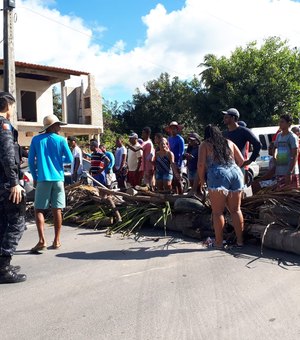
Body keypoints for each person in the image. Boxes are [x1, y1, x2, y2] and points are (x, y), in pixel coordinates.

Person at [28, 114, 73, 253]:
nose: (60, 127)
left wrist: (35, 177)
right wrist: (58, 159)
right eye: (58, 125)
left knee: (39, 209)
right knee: (57, 210)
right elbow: (69, 159)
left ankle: (42, 241)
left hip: (43, 179)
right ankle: (57, 240)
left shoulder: (36, 140)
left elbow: (30, 161)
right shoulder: (61, 140)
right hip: (58, 179)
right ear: (52, 126)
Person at [198, 125, 245, 249]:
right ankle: (240, 241)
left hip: (218, 174)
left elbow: (201, 164)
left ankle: (219, 242)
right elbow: (241, 160)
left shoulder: (205, 144)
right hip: (235, 172)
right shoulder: (229, 142)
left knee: (217, 212)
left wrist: (202, 181)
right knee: (236, 210)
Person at [0, 92, 27, 283]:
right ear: (8, 106)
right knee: (17, 223)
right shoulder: (4, 126)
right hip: (5, 184)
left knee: (2, 223)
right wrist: (14, 183)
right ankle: (3, 268)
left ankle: (2, 265)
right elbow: (8, 157)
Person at [222, 108, 261, 174]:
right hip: (226, 168)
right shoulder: (224, 133)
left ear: (233, 118)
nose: (224, 119)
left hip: (239, 168)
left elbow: (257, 144)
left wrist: (250, 160)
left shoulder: (243, 131)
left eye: (226, 117)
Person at [274, 114, 299, 189]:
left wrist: (290, 172)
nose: (280, 124)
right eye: (280, 122)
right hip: (280, 170)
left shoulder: (292, 137)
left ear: (289, 123)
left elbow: (295, 154)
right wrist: (274, 157)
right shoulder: (279, 135)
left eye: (282, 122)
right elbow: (275, 147)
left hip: (289, 172)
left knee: (291, 196)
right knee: (281, 194)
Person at [166, 121, 185, 194]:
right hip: (170, 162)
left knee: (178, 180)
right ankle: (174, 195)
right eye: (171, 129)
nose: (173, 130)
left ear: (177, 130)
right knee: (172, 181)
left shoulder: (180, 139)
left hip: (177, 162)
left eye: (174, 129)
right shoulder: (169, 139)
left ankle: (181, 195)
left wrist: (179, 165)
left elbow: (181, 153)